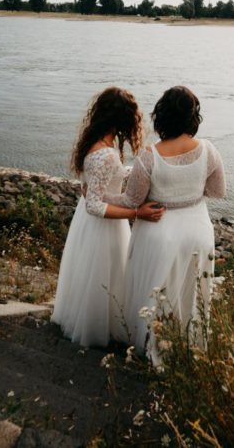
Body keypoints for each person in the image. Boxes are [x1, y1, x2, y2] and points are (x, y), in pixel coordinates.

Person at [110, 86, 225, 365]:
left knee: (156, 293)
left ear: (161, 116)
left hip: (160, 230)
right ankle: (189, 345)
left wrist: (100, 196)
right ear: (193, 117)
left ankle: (152, 346)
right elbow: (217, 191)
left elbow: (131, 201)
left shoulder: (149, 156)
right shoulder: (209, 150)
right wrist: (190, 192)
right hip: (197, 230)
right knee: (192, 293)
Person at [51, 87, 165, 348]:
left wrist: (134, 171)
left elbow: (97, 186)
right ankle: (97, 330)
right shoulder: (107, 154)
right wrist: (137, 213)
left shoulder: (95, 144)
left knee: (92, 274)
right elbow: (94, 205)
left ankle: (90, 321)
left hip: (88, 224)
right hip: (103, 227)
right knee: (103, 276)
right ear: (123, 119)